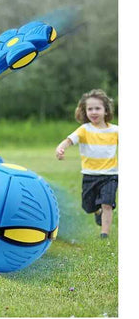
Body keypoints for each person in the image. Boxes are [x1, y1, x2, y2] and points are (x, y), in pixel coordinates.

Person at [55, 89, 118, 239]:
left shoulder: (116, 130)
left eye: (98, 108)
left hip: (110, 175)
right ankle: (97, 211)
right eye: (90, 109)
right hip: (90, 175)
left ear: (106, 110)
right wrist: (61, 147)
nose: (94, 112)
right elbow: (69, 140)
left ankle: (104, 233)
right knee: (88, 206)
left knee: (107, 203)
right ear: (84, 111)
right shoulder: (84, 130)